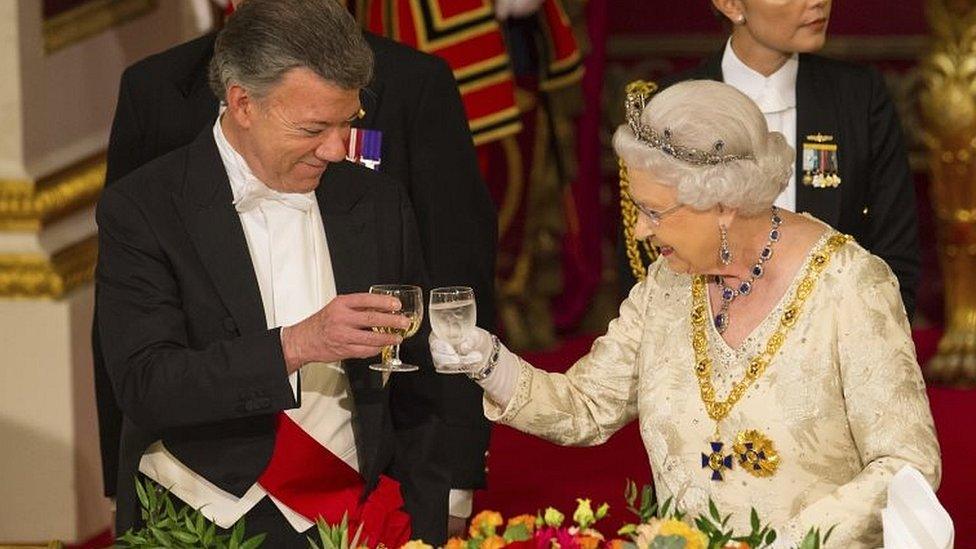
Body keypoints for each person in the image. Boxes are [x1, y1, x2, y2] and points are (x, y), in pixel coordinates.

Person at [432, 80, 941, 548]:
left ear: (722, 204)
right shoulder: (666, 285)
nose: (639, 232)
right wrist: (488, 362)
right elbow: (587, 407)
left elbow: (905, 464)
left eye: (654, 212)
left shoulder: (851, 285)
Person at [94, 0, 495, 531]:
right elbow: (147, 383)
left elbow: (419, 384)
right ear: (242, 104)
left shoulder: (376, 202)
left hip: (353, 514)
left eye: (346, 123)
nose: (335, 149)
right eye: (312, 129)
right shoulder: (145, 208)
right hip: (201, 516)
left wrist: (428, 519)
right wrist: (299, 344)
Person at [622, 0, 921, 319]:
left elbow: (895, 259)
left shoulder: (857, 97)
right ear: (730, 4)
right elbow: (648, 270)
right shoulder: (667, 105)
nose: (818, 2)